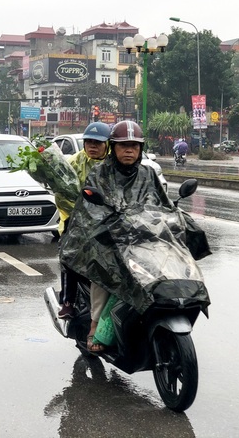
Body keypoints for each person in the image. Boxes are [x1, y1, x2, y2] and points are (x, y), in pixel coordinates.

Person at [60, 120, 170, 353]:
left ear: (140, 149)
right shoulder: (100, 173)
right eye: (123, 146)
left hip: (140, 236)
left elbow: (163, 205)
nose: (129, 150)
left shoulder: (148, 174)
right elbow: (90, 209)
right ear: (113, 147)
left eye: (134, 146)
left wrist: (174, 221)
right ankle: (95, 324)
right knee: (104, 270)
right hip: (107, 238)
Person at [56, 122, 110, 320]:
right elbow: (62, 193)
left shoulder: (113, 164)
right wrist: (77, 214)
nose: (92, 146)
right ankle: (68, 301)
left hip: (110, 220)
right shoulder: (75, 162)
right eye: (89, 142)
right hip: (77, 219)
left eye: (98, 142)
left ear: (108, 144)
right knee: (70, 256)